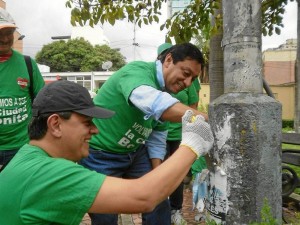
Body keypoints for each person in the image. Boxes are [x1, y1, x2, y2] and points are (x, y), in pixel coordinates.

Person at [0, 80, 214, 225]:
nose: (95, 130)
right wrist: (192, 144)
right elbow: (144, 196)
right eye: (87, 123)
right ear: (55, 124)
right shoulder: (49, 173)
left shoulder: (26, 157)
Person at [79, 42, 208, 225]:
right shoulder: (137, 72)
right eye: (186, 74)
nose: (187, 84)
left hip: (135, 152)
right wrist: (205, 119)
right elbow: (154, 103)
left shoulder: (166, 93)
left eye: (193, 79)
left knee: (159, 201)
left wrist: (157, 174)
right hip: (100, 154)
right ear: (168, 60)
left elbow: (157, 135)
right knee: (105, 216)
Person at [156, 43, 207, 225]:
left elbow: (192, 108)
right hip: (157, 134)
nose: (187, 81)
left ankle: (175, 210)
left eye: (189, 77)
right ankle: (158, 210)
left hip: (178, 135)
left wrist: (192, 130)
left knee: (177, 173)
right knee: (157, 171)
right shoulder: (155, 81)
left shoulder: (188, 82)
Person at [0, 8, 45, 167]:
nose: (5, 39)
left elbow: (43, 103)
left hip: (21, 148)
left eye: (9, 32)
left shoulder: (27, 63)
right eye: (0, 34)